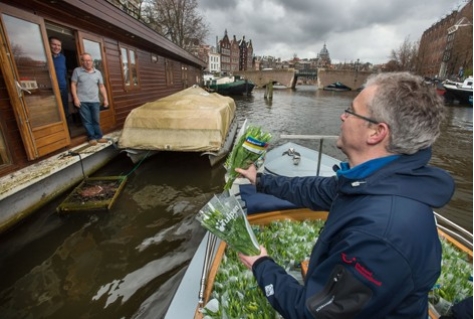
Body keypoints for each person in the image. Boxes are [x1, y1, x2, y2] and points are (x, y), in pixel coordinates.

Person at [235, 72, 455, 318]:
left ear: (376, 133)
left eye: (351, 111)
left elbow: (312, 314)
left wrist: (261, 264)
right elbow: (317, 190)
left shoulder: (381, 235)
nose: (342, 116)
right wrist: (260, 180)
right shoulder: (375, 182)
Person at [71, 53, 109, 145]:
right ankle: (92, 138)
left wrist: (105, 99)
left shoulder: (98, 73)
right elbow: (73, 84)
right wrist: (75, 98)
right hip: (82, 101)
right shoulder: (77, 71)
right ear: (82, 61)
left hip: (95, 100)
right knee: (87, 121)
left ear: (92, 62)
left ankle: (99, 137)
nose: (88, 62)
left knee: (95, 119)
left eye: (89, 60)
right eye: (85, 60)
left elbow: (101, 86)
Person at [49, 36, 69, 121]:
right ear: (49, 44)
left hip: (63, 89)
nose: (57, 47)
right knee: (54, 112)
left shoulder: (62, 58)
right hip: (51, 90)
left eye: (59, 45)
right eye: (54, 44)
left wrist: (67, 89)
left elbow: (64, 73)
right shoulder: (46, 57)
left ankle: (68, 132)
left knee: (65, 111)